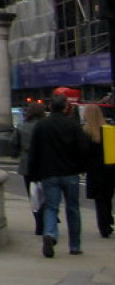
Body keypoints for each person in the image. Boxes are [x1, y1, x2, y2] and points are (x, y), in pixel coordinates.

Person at [29, 90, 89, 257]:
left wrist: (33, 173)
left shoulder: (41, 126)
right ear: (65, 107)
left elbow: (34, 151)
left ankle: (50, 234)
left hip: (49, 173)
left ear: (50, 107)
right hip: (70, 173)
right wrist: (82, 166)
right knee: (73, 209)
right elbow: (83, 148)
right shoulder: (73, 125)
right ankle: (75, 246)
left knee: (51, 207)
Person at [13, 100, 47, 235]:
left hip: (27, 163)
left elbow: (13, 142)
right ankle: (47, 219)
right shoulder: (45, 125)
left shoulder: (22, 126)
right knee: (46, 194)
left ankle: (39, 223)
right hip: (45, 163)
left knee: (33, 195)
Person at [82, 103, 115, 238]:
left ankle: (103, 226)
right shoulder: (109, 130)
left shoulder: (85, 132)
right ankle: (108, 220)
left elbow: (83, 154)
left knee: (99, 200)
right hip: (110, 169)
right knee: (108, 197)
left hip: (94, 171)